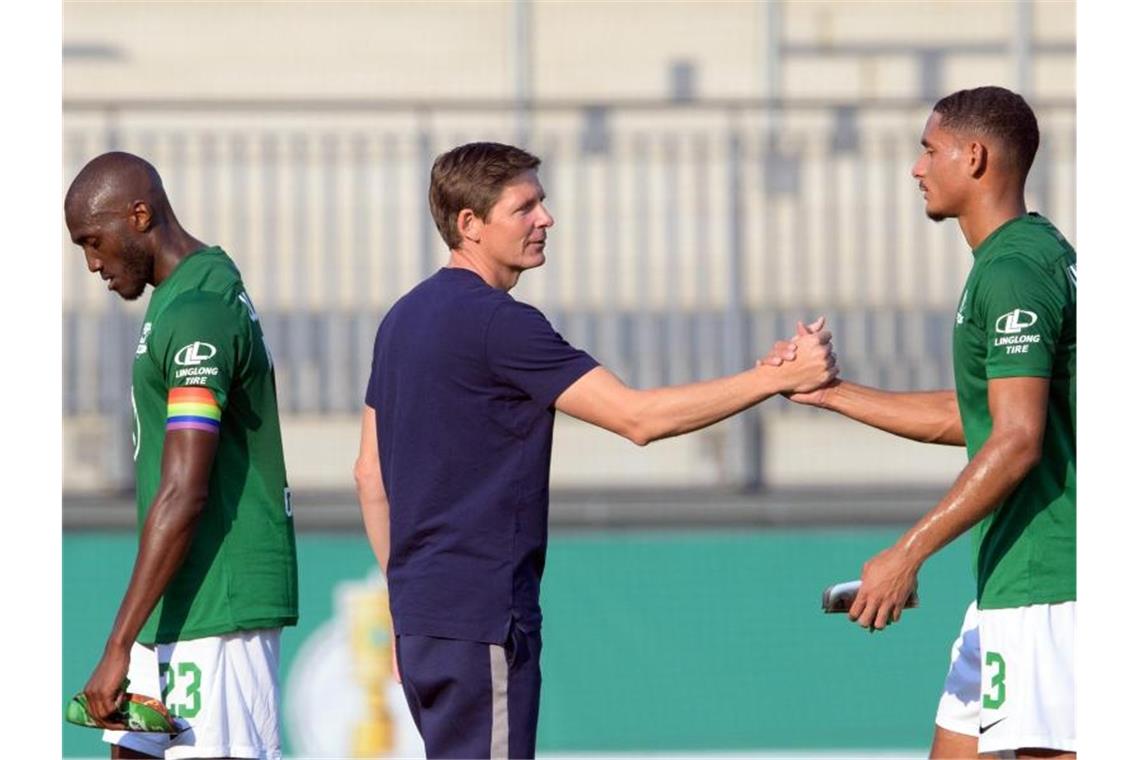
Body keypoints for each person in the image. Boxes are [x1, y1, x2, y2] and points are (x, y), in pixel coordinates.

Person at [353, 141, 836, 758]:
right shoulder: (500, 323)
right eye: (524, 206)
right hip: (481, 617)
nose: (545, 219)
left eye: (542, 203)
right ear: (469, 225)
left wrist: (406, 604)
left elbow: (369, 475)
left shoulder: (400, 318)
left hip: (423, 619)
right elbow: (637, 418)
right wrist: (773, 379)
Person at [770, 87, 1075, 757]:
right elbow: (975, 416)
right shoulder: (1023, 255)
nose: (916, 168)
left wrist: (907, 553)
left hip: (1051, 586)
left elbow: (1018, 440)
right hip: (1010, 580)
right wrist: (832, 393)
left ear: (974, 157)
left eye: (928, 149)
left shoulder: (1016, 272)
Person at [65, 152, 298, 760]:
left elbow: (184, 490)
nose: (92, 263)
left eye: (94, 241)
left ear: (139, 215)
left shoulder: (201, 312)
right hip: (175, 602)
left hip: (217, 607)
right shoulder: (180, 298)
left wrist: (117, 645)